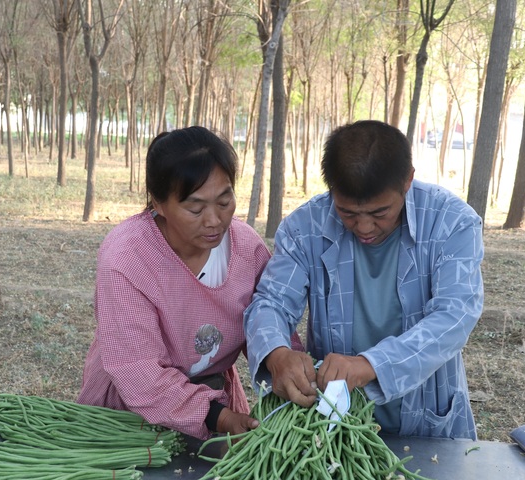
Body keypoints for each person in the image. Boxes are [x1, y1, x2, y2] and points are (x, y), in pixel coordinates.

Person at [244, 120, 484, 439]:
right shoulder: (303, 228)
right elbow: (271, 302)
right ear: (331, 191)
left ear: (408, 180)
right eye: (348, 214)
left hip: (425, 418)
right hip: (333, 421)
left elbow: (453, 318)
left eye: (379, 213)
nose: (364, 227)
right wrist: (277, 354)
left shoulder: (451, 222)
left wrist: (370, 365)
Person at [78, 126, 268, 440]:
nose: (214, 220)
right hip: (129, 413)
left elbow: (266, 326)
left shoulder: (247, 249)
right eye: (195, 208)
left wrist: (283, 361)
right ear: (158, 203)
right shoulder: (127, 259)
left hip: (213, 397)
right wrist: (216, 416)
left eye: (224, 201)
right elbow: (138, 371)